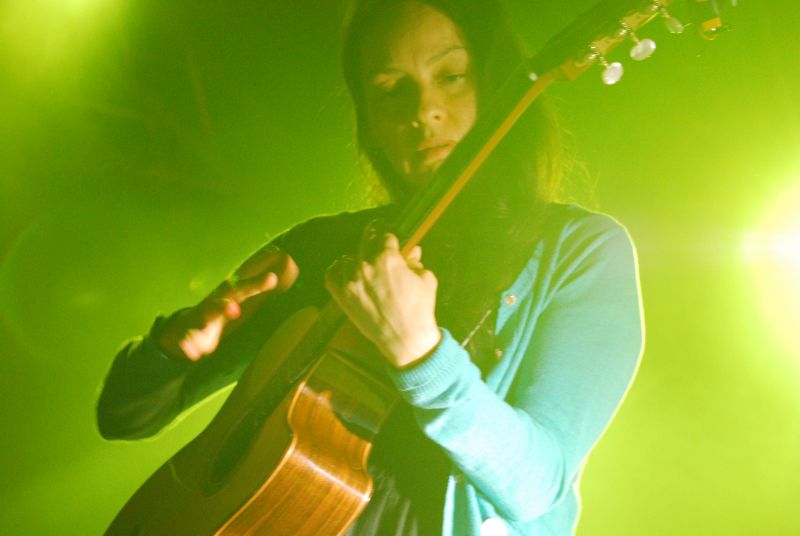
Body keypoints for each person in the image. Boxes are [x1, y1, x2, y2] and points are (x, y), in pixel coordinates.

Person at [97, 0, 644, 535]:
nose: (421, 111)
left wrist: (421, 354)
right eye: (390, 89)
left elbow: (535, 486)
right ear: (368, 116)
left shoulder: (582, 253)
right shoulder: (322, 247)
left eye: (451, 76)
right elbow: (124, 418)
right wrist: (174, 347)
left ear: (496, 82)